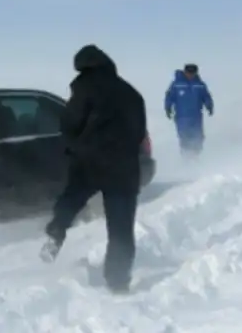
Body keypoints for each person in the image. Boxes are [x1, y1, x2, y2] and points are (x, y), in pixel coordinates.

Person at [39, 44, 147, 294]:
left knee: (71, 197)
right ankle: (118, 282)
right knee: (121, 228)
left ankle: (57, 231)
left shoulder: (84, 88)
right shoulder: (131, 93)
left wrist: (75, 146)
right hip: (123, 167)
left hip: (90, 161)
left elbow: (69, 123)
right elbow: (139, 132)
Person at [164, 63, 214, 157]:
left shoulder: (200, 85)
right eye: (189, 73)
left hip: (196, 117)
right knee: (184, 138)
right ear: (185, 72)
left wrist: (209, 106)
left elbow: (206, 96)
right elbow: (169, 97)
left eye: (193, 73)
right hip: (181, 118)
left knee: (198, 138)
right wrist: (168, 108)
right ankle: (186, 158)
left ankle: (196, 157)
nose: (190, 75)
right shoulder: (176, 84)